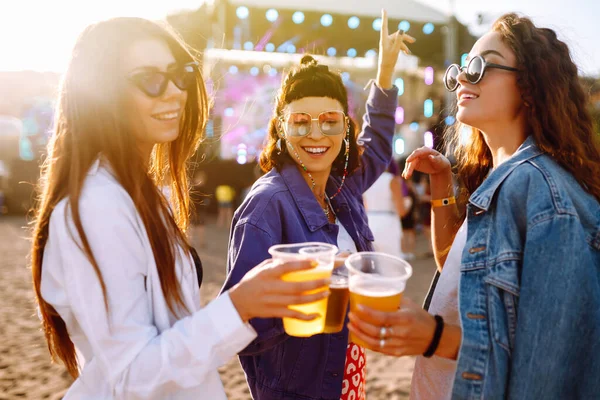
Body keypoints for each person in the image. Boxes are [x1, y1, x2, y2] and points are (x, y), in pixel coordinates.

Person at [29, 17, 331, 399]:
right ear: (101, 95)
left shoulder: (142, 191)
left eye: (180, 73)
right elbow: (133, 374)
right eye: (149, 79)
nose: (173, 91)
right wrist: (240, 304)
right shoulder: (97, 205)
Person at [347, 13, 600, 399]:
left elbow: (549, 362)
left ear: (530, 85)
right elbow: (459, 270)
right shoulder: (506, 178)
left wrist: (433, 337)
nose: (462, 79)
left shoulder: (537, 189)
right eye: (461, 70)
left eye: (480, 67)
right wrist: (442, 188)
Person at [222, 10, 415, 400]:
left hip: (347, 374)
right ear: (280, 126)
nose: (316, 134)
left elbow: (377, 143)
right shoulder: (266, 206)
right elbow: (236, 326)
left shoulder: (341, 187)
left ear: (346, 128)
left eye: (329, 121)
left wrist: (385, 73)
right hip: (297, 390)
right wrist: (314, 290)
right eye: (300, 122)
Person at [363, 160, 406, 258]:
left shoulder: (365, 181)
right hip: (388, 222)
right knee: (392, 261)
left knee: (374, 263)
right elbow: (401, 211)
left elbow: (365, 206)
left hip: (369, 221)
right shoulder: (392, 180)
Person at [189, 169, 208, 248]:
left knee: (193, 225)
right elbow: (205, 200)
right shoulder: (202, 188)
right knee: (199, 226)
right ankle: (200, 242)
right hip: (199, 209)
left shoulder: (191, 187)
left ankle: (191, 242)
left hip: (193, 209)